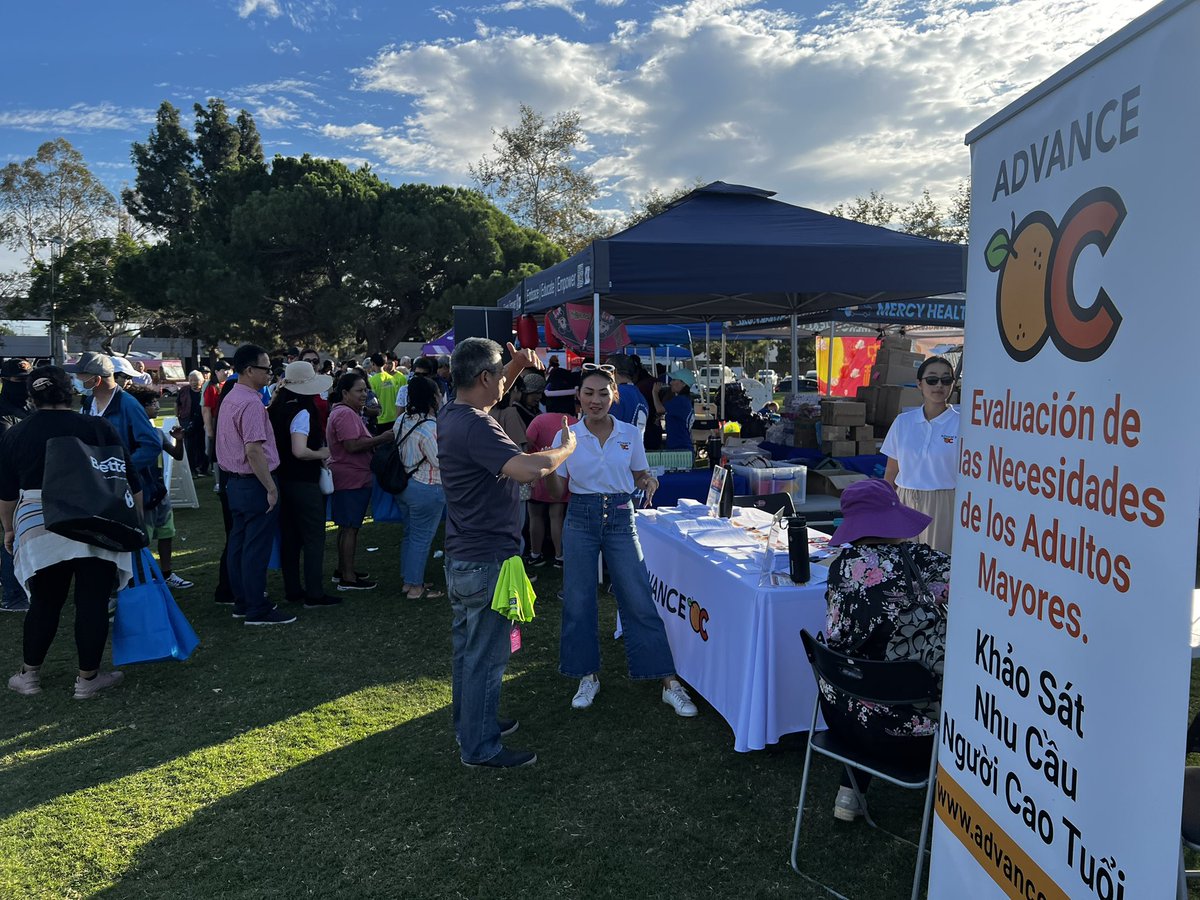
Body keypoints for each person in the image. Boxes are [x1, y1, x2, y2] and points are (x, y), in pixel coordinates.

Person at [439, 337, 577, 768]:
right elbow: (529, 469)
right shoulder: (478, 426)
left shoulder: (452, 411)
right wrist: (565, 449)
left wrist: (514, 363)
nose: (506, 383)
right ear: (484, 378)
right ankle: (479, 747)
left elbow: (488, 394)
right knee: (487, 655)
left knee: (469, 650)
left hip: (465, 555)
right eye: (500, 376)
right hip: (486, 559)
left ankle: (473, 723)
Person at [545, 364, 698, 718]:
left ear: (614, 395)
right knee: (579, 600)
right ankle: (587, 675)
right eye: (588, 393)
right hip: (580, 516)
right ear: (578, 397)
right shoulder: (567, 436)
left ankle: (667, 681)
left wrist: (647, 481)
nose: (595, 400)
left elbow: (639, 472)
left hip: (619, 515)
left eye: (603, 393)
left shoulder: (629, 432)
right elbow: (556, 491)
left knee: (638, 597)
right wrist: (553, 466)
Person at [3, 366, 141, 699]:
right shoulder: (97, 426)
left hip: (39, 520)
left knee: (45, 600)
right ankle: (87, 679)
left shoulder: (17, 433)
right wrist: (136, 522)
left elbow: (7, 491)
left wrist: (8, 529)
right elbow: (129, 479)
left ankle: (29, 675)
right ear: (71, 392)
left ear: (32, 397)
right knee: (92, 599)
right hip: (96, 515)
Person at [819, 478, 950, 821]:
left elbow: (837, 635)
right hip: (910, 733)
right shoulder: (920, 562)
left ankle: (849, 794)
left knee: (865, 675)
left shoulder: (839, 570)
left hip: (843, 719)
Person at [216, 344, 295, 626]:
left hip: (234, 483)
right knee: (255, 548)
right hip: (253, 482)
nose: (270, 374)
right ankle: (256, 607)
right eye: (266, 369)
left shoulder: (233, 396)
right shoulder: (249, 402)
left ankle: (243, 601)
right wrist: (271, 488)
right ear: (250, 370)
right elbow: (253, 450)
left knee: (239, 544)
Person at [268, 362, 339, 608]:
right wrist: (323, 453)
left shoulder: (275, 408)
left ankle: (293, 589)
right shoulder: (303, 411)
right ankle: (315, 593)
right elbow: (299, 450)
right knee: (313, 536)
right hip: (303, 480)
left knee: (290, 536)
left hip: (281, 479)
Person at [881, 356, 959, 553]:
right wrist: (886, 505)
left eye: (946, 380)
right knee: (903, 563)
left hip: (943, 503)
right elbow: (891, 470)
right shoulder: (903, 422)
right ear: (919, 384)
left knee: (937, 566)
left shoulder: (962, 424)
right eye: (932, 380)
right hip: (904, 499)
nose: (939, 385)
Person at [326, 371, 393, 590]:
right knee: (350, 527)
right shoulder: (345, 414)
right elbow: (351, 446)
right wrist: (382, 438)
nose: (364, 394)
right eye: (359, 391)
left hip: (351, 476)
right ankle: (348, 577)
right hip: (351, 477)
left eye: (365, 390)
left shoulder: (345, 412)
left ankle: (344, 570)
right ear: (345, 393)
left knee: (347, 526)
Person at [127, 386, 194, 590]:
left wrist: (179, 440)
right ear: (139, 408)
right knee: (142, 539)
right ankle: (142, 577)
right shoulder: (129, 435)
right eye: (152, 403)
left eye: (157, 402)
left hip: (159, 492)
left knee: (166, 533)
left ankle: (166, 573)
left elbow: (177, 455)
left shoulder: (156, 433)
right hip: (141, 493)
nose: (157, 406)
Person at [71, 352, 163, 491]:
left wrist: (120, 471)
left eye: (80, 375)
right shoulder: (89, 403)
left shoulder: (129, 404)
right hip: (100, 488)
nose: (76, 379)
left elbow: (151, 446)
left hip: (131, 490)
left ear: (96, 379)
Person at [393, 376, 445, 600]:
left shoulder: (403, 419)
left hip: (404, 484)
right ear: (433, 397)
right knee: (421, 538)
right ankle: (415, 586)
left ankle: (409, 580)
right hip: (427, 487)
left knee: (410, 534)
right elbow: (440, 461)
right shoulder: (430, 427)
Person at [525, 397, 577, 568]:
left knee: (535, 517)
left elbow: (528, 439)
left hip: (539, 474)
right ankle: (559, 556)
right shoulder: (575, 422)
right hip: (563, 477)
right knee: (557, 517)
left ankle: (535, 553)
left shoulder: (539, 419)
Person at [0, 358, 31, 613]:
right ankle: (13, 595)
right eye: (19, 380)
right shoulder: (2, 411)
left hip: (24, 482)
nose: (24, 384)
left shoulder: (29, 405)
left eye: (27, 379)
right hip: (6, 484)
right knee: (10, 536)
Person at [653, 369, 696, 453]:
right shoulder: (685, 400)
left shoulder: (680, 400)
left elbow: (659, 409)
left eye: (674, 380)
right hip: (682, 446)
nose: (671, 383)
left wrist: (654, 392)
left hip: (679, 448)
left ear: (683, 383)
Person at [606, 355, 649, 435]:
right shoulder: (640, 395)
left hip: (617, 445)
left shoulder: (616, 395)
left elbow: (607, 429)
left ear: (613, 372)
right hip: (636, 444)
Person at [177, 370, 209, 476]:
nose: (193, 382)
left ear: (202, 380)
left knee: (203, 445)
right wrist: (178, 418)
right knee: (189, 446)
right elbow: (177, 404)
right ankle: (192, 469)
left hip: (203, 421)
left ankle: (203, 468)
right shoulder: (184, 390)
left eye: (196, 380)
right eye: (191, 380)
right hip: (187, 421)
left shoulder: (206, 390)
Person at [203, 359, 232, 467]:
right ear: (216, 372)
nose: (227, 372)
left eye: (229, 370)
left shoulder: (228, 384)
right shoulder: (211, 387)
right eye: (224, 370)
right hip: (216, 421)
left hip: (227, 421)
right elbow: (207, 410)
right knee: (215, 451)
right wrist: (210, 429)